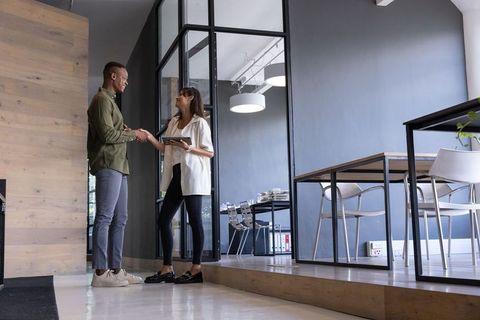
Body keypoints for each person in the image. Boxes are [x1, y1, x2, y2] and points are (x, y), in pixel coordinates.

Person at [143, 87, 214, 284]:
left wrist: (189, 147)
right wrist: (149, 136)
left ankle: (196, 268)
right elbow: (164, 148)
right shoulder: (174, 122)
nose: (177, 97)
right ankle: (167, 268)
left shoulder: (200, 123)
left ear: (191, 98)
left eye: (182, 94)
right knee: (163, 220)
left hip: (193, 175)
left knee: (195, 220)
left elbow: (210, 152)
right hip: (176, 174)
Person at [88, 61, 149, 287]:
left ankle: (115, 270)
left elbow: (114, 132)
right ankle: (101, 273)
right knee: (104, 217)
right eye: (123, 78)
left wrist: (125, 132)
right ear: (113, 76)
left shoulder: (110, 103)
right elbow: (106, 135)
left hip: (120, 166)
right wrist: (133, 134)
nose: (126, 82)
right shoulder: (101, 100)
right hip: (108, 164)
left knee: (120, 219)